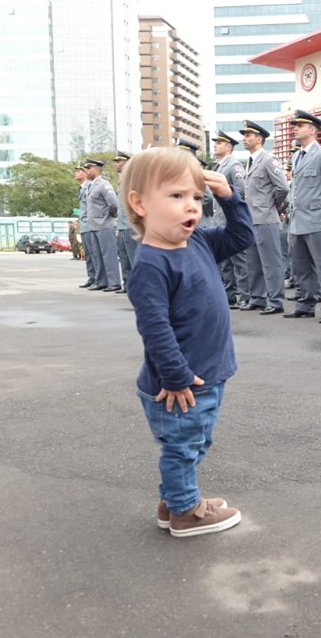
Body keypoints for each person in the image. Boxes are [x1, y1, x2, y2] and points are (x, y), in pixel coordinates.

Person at [122, 147, 253, 537]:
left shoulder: (198, 242)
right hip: (181, 386)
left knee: (194, 443)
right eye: (177, 196)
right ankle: (185, 513)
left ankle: (175, 500)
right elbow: (155, 329)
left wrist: (229, 198)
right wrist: (176, 377)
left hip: (205, 375)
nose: (191, 207)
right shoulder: (151, 265)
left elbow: (242, 236)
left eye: (197, 197)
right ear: (140, 203)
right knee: (182, 447)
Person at [283, 110, 321, 323]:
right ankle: (305, 304)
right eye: (295, 125)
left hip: (316, 220)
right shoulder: (297, 155)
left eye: (300, 125)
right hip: (298, 221)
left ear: (312, 129)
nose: (295, 128)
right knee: (300, 266)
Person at [240, 120, 289, 315]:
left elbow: (283, 187)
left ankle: (276, 300)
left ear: (258, 139)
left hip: (266, 217)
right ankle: (257, 298)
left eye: (248, 135)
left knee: (271, 261)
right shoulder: (251, 162)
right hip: (252, 217)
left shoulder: (268, 160)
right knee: (253, 262)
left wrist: (273, 204)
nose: (244, 139)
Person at [210, 130, 251, 309]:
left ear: (228, 147)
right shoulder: (218, 167)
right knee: (226, 262)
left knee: (239, 261)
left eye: (219, 143)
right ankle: (229, 294)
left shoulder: (233, 166)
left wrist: (232, 209)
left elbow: (240, 190)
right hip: (219, 219)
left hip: (229, 219)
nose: (215, 145)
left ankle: (245, 295)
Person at [83, 158, 123, 293]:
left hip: (105, 224)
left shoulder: (104, 184)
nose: (87, 171)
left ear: (97, 169)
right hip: (93, 225)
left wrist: (109, 216)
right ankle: (101, 281)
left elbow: (114, 204)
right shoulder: (91, 185)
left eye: (89, 169)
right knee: (97, 256)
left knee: (108, 255)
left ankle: (114, 282)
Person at [113, 151, 138, 294]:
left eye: (120, 161)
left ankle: (139, 287)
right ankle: (128, 285)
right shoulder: (123, 180)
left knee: (135, 259)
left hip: (131, 225)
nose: (117, 164)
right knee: (124, 259)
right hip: (123, 225)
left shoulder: (133, 179)